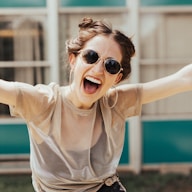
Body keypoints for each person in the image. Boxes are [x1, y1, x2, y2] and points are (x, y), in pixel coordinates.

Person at [0, 17, 192, 192]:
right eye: (91, 57)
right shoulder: (44, 103)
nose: (99, 69)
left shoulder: (116, 103)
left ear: (116, 78)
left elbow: (183, 79)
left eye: (111, 65)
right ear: (73, 59)